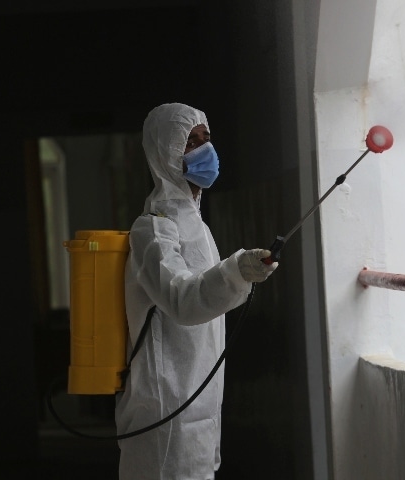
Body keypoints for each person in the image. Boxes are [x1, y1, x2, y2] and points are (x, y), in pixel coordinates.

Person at [115, 102, 278, 479]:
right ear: (165, 152)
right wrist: (237, 271)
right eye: (191, 141)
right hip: (164, 407)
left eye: (207, 138)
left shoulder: (195, 225)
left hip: (198, 403)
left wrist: (239, 274)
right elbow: (184, 302)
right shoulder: (153, 228)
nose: (206, 150)